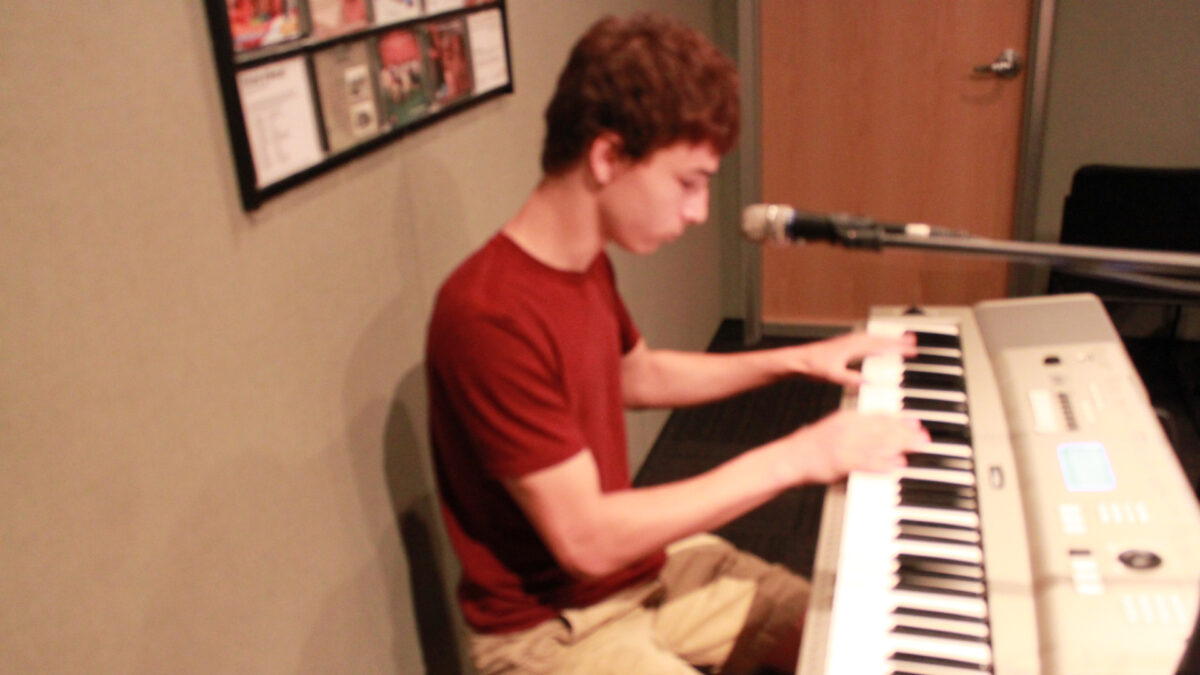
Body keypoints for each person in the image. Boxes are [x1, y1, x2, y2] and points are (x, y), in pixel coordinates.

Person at [425, 12, 929, 674]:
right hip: (550, 629)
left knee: (844, 641)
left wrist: (797, 359)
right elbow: (588, 539)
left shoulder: (583, 264)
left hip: (644, 575)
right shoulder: (488, 313)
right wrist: (800, 454)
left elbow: (638, 376)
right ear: (608, 156)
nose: (697, 213)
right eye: (688, 182)